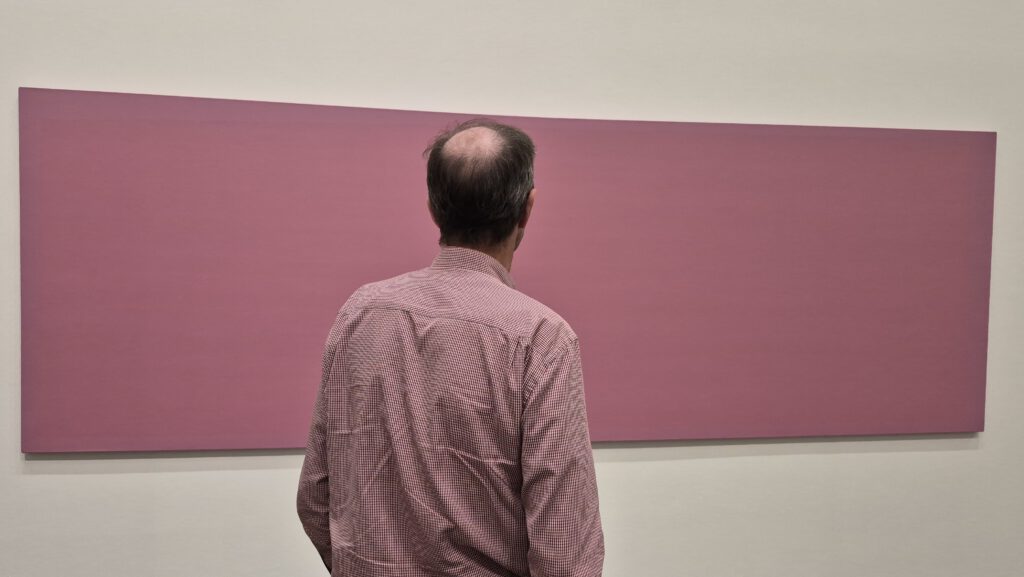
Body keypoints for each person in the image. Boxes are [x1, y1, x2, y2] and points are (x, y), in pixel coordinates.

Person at [297, 119, 604, 577]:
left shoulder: (360, 312)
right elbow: (564, 551)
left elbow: (316, 498)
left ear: (433, 207)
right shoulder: (541, 337)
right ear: (527, 208)